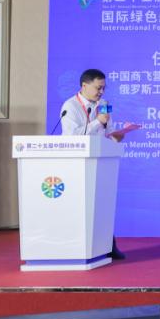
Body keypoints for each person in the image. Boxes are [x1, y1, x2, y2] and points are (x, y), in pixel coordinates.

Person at [57, 68, 126, 259]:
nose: (101, 92)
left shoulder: (104, 105)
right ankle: (79, 245)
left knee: (104, 203)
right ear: (84, 86)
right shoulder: (70, 106)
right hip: (76, 165)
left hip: (100, 162)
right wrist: (97, 122)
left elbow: (108, 131)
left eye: (103, 88)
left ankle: (108, 245)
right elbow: (72, 136)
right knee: (82, 206)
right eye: (98, 88)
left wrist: (118, 135)